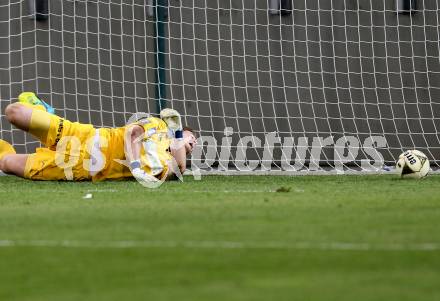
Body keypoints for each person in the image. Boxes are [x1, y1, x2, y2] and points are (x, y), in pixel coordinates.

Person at [0, 92, 197, 184]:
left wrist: (180, 133)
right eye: (192, 137)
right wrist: (135, 166)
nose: (194, 142)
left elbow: (180, 168)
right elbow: (132, 133)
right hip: (81, 136)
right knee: (14, 112)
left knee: (6, 163)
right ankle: (43, 109)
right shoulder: (159, 126)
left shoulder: (165, 168)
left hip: (73, 167)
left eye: (194, 144)